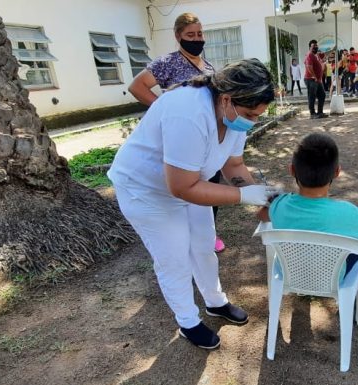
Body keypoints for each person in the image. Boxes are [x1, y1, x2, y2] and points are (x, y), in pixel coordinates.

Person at [108, 59, 280, 349]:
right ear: (227, 98)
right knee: (174, 257)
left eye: (258, 116)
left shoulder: (234, 115)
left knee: (203, 245)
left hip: (192, 182)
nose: (252, 121)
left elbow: (234, 164)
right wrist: (242, 196)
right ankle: (188, 321)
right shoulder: (188, 112)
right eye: (251, 114)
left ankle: (215, 302)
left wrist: (259, 194)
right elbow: (181, 187)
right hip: (146, 189)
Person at [128, 12, 227, 253]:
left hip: (207, 133)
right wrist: (163, 109)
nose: (196, 39)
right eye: (190, 35)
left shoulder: (209, 65)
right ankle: (185, 236)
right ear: (178, 36)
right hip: (181, 135)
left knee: (211, 180)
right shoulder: (167, 62)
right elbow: (136, 86)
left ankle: (207, 231)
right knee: (185, 182)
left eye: (200, 34)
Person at [257, 133, 358, 255]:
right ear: (337, 172)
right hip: (332, 279)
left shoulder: (280, 204)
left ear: (292, 170)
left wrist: (272, 201)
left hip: (288, 276)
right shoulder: (346, 212)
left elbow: (261, 215)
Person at [304, 39, 327, 119]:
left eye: (316, 46)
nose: (316, 47)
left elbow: (324, 55)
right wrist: (314, 76)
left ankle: (320, 112)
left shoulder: (316, 55)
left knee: (322, 95)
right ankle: (312, 114)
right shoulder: (309, 55)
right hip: (311, 79)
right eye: (314, 46)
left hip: (317, 80)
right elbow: (309, 67)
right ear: (310, 47)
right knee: (312, 96)